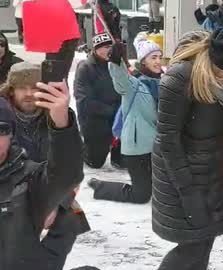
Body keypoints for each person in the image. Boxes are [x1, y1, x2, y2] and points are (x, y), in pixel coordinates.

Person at [152, 26, 223, 270]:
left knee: (204, 240)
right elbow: (167, 139)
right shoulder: (181, 78)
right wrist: (188, 192)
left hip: (213, 172)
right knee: (192, 247)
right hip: (181, 173)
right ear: (213, 60)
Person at [0, 62, 90, 270]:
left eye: (35, 87)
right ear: (11, 90)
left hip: (48, 187)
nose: (29, 93)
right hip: (13, 191)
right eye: (23, 87)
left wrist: (55, 203)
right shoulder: (3, 116)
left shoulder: (55, 116)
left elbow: (72, 167)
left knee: (73, 217)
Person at [87, 33, 162, 204]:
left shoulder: (164, 83)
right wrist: (116, 61)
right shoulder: (134, 84)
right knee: (141, 195)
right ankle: (101, 187)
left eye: (159, 57)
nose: (158, 61)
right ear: (143, 61)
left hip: (158, 146)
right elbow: (120, 80)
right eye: (153, 58)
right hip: (138, 147)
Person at [74, 33, 122, 169]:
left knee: (123, 162)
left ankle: (118, 154)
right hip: (94, 119)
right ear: (96, 49)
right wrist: (111, 111)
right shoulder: (85, 68)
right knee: (95, 162)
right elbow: (84, 101)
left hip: (117, 115)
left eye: (111, 47)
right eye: (106, 47)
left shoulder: (116, 65)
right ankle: (82, 149)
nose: (109, 50)